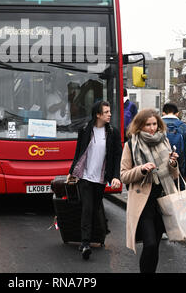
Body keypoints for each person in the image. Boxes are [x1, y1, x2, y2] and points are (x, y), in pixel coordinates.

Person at [120, 108, 179, 273]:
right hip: (143, 204)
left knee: (155, 246)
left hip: (162, 201)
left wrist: (173, 163)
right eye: (148, 125)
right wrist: (142, 169)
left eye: (154, 124)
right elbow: (124, 176)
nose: (152, 128)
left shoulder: (164, 141)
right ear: (140, 126)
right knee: (150, 244)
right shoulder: (131, 144)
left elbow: (174, 175)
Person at [67, 100, 122, 260]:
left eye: (109, 111)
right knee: (87, 208)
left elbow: (117, 155)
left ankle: (99, 235)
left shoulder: (113, 132)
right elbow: (79, 152)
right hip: (85, 176)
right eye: (106, 112)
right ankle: (85, 244)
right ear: (98, 114)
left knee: (96, 208)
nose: (110, 114)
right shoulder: (85, 129)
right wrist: (72, 172)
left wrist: (116, 176)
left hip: (101, 178)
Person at [162, 102, 186, 189]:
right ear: (177, 113)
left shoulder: (155, 125)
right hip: (179, 169)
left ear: (163, 112)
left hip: (159, 169)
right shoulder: (183, 127)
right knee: (178, 196)